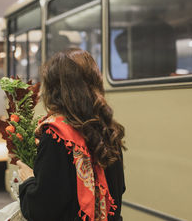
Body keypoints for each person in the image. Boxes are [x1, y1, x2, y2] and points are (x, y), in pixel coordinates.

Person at [16, 48, 126, 221]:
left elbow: (40, 211)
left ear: (54, 90)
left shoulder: (56, 136)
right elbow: (118, 192)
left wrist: (28, 180)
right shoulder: (108, 130)